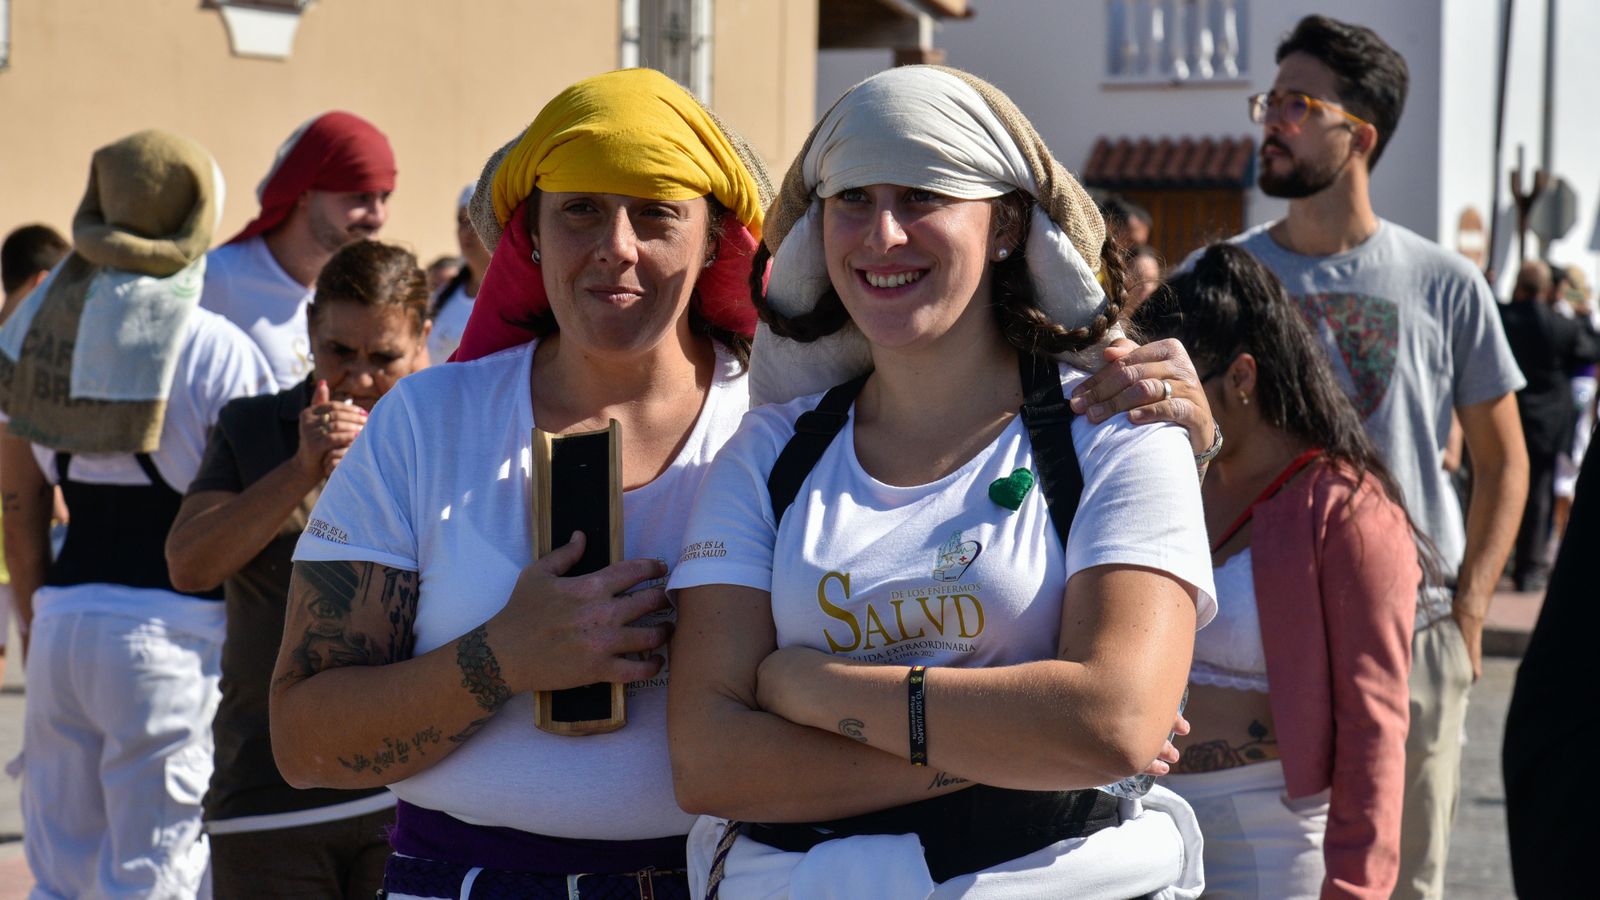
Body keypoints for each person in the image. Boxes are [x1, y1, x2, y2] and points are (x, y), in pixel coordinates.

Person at [667, 65, 1215, 898]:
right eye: (853, 199)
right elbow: (708, 763)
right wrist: (1015, 740)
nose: (882, 234)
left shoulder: (1120, 432)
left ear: (1005, 227)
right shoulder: (767, 453)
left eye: (923, 195)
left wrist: (810, 689)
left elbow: (1112, 722)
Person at [267, 68, 773, 898]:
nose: (616, 244)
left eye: (656, 210)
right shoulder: (430, 423)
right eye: (580, 209)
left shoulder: (785, 428)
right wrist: (500, 657)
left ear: (714, 237)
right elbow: (304, 741)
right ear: (530, 235)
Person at [1208, 16, 1527, 897]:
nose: (1271, 119)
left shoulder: (1443, 283)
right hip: (1246, 630)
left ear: (1362, 137)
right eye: (1269, 100)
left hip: (1414, 629)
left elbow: (1505, 461)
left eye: (1298, 104)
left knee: (1406, 879)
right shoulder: (1224, 278)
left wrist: (1465, 618)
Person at [0, 129, 275, 898]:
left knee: (59, 873)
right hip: (173, 635)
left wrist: (36, 620)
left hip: (63, 620)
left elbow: (18, 504)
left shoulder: (32, 327)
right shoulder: (217, 344)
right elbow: (257, 516)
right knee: (157, 877)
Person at [1138, 243, 1420, 898]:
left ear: (1240, 377)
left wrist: (1355, 887)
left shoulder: (1346, 508)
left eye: (1177, 378)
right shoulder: (1170, 479)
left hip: (1275, 840)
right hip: (1142, 829)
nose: (1157, 398)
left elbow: (1373, 724)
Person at [165, 240, 430, 897]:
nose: (359, 378)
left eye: (385, 357)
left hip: (409, 786)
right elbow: (190, 564)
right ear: (311, 328)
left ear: (423, 339)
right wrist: (297, 470)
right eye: (340, 351)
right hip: (266, 789)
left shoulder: (443, 433)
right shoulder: (255, 426)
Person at [202, 110, 397, 389]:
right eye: (360, 196)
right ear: (304, 192)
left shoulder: (363, 289)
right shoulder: (218, 279)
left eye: (385, 197)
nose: (377, 216)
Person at [1500, 261, 1600, 590]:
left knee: (1499, 488)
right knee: (1539, 493)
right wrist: (1582, 314)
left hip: (1507, 415)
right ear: (1547, 290)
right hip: (1547, 422)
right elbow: (1590, 348)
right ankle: (1528, 570)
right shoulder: (1561, 325)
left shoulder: (1503, 317)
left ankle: (1500, 560)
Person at [0, 223, 70, 682]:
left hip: (23, 519)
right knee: (40, 660)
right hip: (24, 521)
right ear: (43, 282)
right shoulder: (27, 359)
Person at [1552, 265, 1599, 544]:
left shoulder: (1583, 316)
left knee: (1572, 454)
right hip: (1577, 389)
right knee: (1572, 454)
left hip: (1580, 388)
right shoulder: (1577, 316)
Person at [427, 184, 493, 363]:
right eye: (461, 221)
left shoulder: (515, 297)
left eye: (474, 221)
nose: (466, 232)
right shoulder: (444, 294)